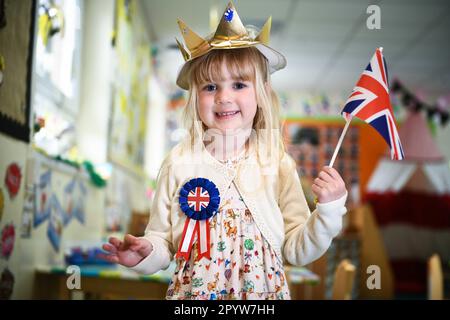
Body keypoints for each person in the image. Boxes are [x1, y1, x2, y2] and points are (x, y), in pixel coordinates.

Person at [101, 2, 347, 300]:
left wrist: (329, 212)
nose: (224, 97)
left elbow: (298, 249)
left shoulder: (276, 163)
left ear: (261, 93)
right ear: (195, 97)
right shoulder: (178, 162)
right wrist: (145, 252)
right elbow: (162, 241)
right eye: (210, 87)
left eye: (240, 84)